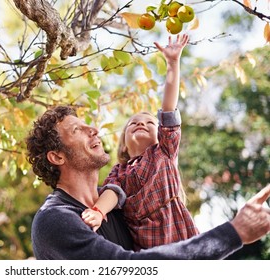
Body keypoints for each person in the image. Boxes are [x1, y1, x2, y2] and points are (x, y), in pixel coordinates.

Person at [25, 105, 270, 260]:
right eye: (77, 130)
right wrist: (233, 232)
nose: (94, 129)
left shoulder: (122, 207)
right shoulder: (55, 219)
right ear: (57, 156)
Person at [81, 34, 199, 250]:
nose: (140, 123)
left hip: (180, 238)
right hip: (147, 248)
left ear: (160, 135)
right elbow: (113, 192)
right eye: (133, 123)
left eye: (149, 122)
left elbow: (168, 111)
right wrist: (98, 211)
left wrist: (172, 64)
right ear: (124, 144)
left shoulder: (164, 152)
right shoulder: (120, 171)